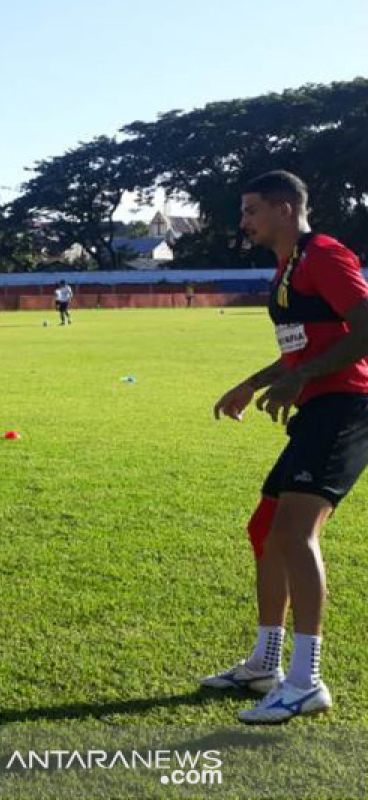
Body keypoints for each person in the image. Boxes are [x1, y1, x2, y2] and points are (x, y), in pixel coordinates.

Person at [207, 170, 368, 723]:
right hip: (318, 407)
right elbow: (300, 349)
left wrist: (304, 379)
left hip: (347, 406)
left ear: (283, 208)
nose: (244, 221)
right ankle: (266, 663)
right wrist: (251, 384)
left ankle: (306, 680)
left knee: (295, 534)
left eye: (251, 210)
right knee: (265, 528)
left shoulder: (323, 255)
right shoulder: (290, 264)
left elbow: (365, 328)